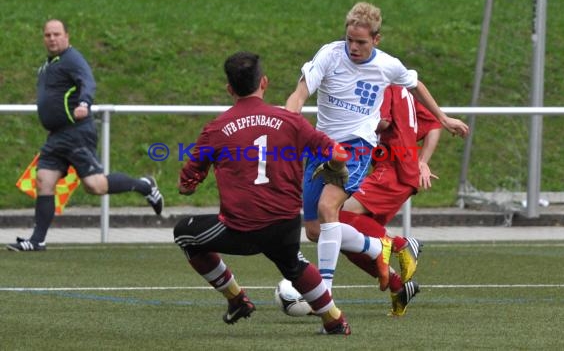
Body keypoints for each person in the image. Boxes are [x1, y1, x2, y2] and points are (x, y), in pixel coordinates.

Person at [285, 2, 469, 295]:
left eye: (361, 42)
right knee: (315, 230)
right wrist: (289, 119)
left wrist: (443, 117)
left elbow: (415, 83)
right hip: (321, 148)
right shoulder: (329, 55)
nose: (354, 47)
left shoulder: (387, 65)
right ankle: (388, 246)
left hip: (356, 148)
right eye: (350, 40)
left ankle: (324, 296)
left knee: (327, 207)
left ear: (376, 39)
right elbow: (300, 93)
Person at [174, 51, 354, 335]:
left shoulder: (216, 130)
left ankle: (237, 299)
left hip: (239, 229)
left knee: (185, 233)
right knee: (292, 263)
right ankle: (335, 321)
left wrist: (194, 181)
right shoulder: (291, 121)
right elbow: (339, 153)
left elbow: (186, 187)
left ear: (230, 89)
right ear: (265, 82)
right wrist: (332, 166)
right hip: (284, 225)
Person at [7, 19, 163, 252]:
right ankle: (37, 240)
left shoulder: (72, 59)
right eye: (48, 35)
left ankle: (144, 185)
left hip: (76, 133)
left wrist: (84, 102)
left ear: (67, 36)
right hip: (56, 137)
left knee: (95, 186)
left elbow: (87, 82)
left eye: (56, 34)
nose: (52, 38)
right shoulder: (48, 65)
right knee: (44, 181)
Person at [340, 84, 443, 316]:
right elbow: (434, 125)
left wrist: (346, 122)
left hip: (392, 171)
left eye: (360, 43)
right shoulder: (403, 91)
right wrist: (423, 161)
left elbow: (383, 122)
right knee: (346, 240)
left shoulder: (383, 85)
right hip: (398, 170)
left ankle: (400, 244)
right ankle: (399, 287)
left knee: (338, 217)